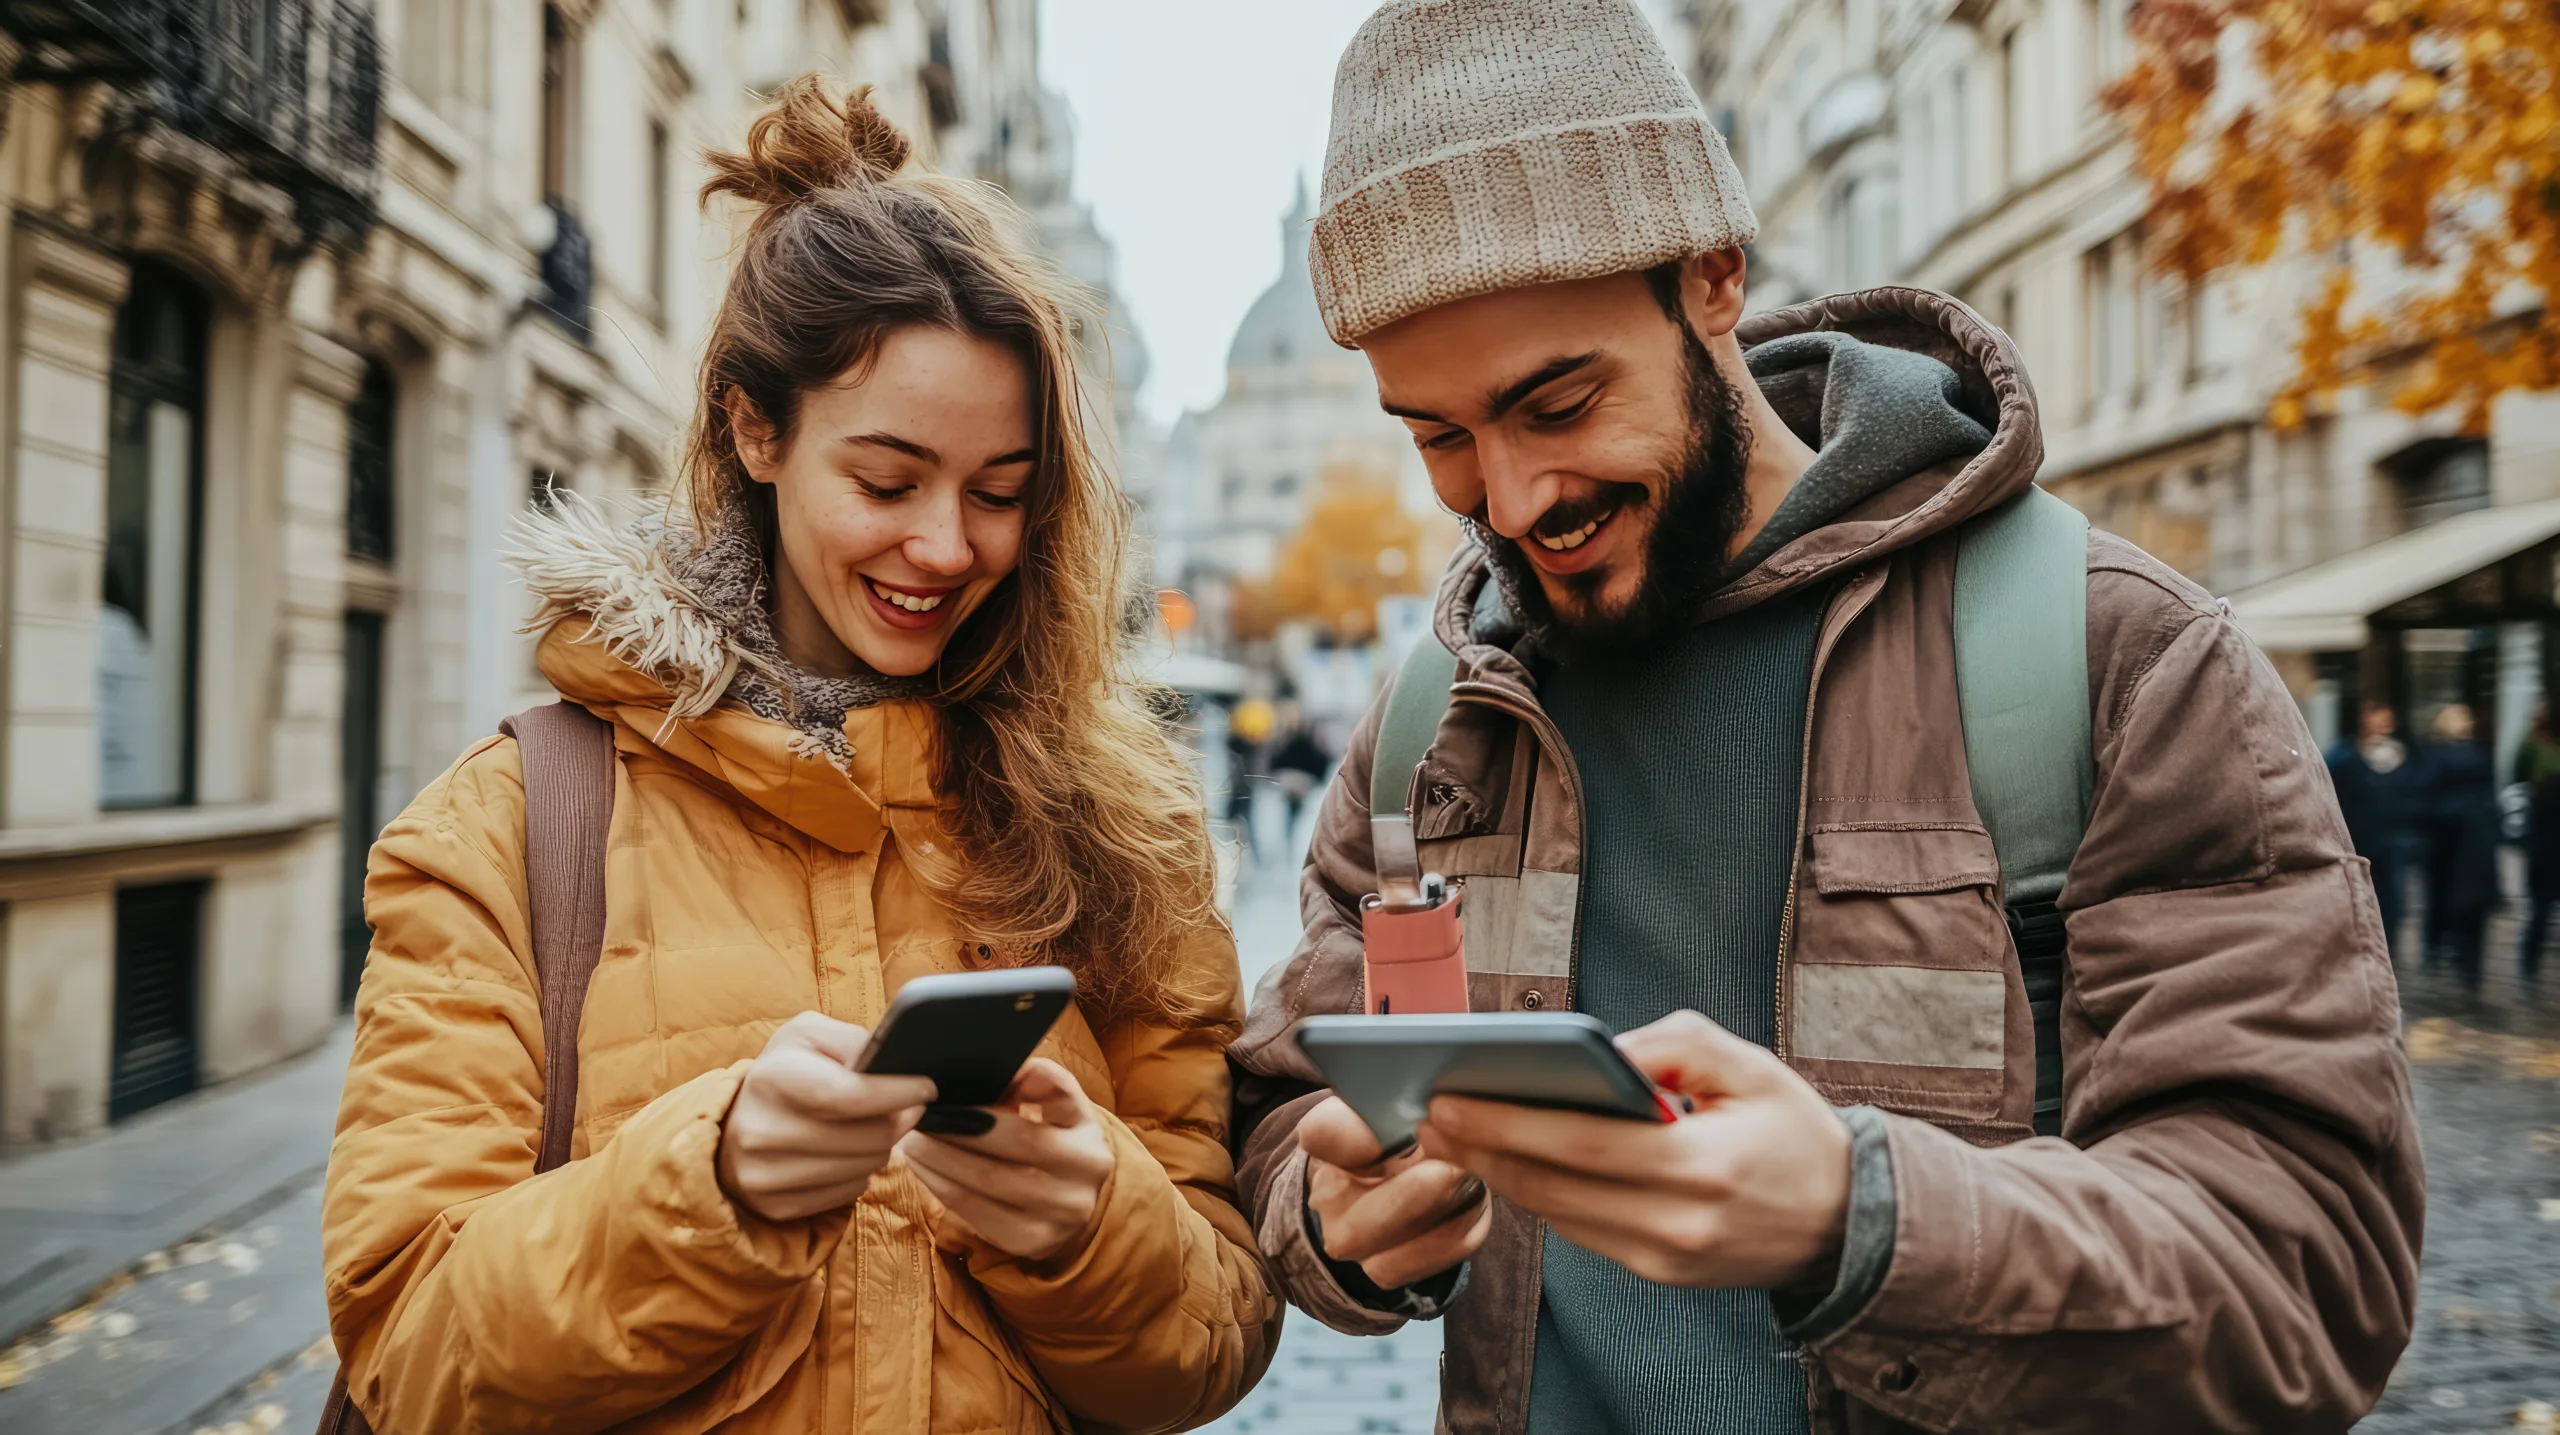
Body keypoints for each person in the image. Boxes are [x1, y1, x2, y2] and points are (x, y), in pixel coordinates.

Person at [1226, 4, 2422, 1432]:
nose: (1510, 496)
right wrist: (1338, 1208)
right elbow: (1287, 1106)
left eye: (1557, 401)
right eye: (1436, 435)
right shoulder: (1441, 717)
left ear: (1714, 277)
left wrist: (1860, 1218)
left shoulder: (2114, 656)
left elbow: (2306, 1268)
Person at [322, 80, 1276, 1433]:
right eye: (887, 482)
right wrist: (710, 1185)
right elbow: (411, 1347)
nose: (946, 546)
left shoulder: (1128, 831)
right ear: (753, 430)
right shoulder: (502, 823)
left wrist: (1094, 1227)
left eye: (1000, 493)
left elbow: (1215, 1339)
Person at [2328, 700, 2423, 957]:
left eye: (2387, 720)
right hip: (2363, 835)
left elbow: (2413, 792)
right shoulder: (2347, 757)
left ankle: (2388, 942)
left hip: (2393, 836)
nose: (2383, 726)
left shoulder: (2403, 757)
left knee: (2393, 892)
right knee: (2364, 890)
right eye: (2378, 719)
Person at [2421, 702, 2500, 984]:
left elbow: (2426, 793)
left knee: (2440, 896)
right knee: (2472, 898)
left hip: (2448, 837)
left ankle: (2437, 948)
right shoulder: (2481, 753)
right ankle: (2469, 960)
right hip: (2475, 836)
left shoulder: (2434, 755)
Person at [2515, 700, 2560, 977]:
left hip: (2547, 831)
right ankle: (2528, 965)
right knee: (2541, 906)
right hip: (2545, 834)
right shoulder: (2532, 746)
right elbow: (2519, 779)